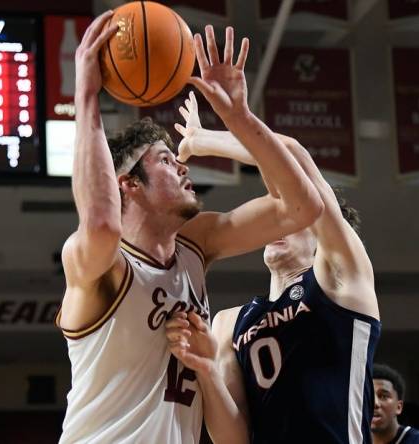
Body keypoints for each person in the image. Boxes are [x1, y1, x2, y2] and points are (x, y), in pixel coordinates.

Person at [56, 12, 323, 444]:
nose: (182, 164)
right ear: (128, 184)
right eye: (164, 159)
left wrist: (239, 118)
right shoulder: (99, 266)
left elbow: (302, 207)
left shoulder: (196, 245)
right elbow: (102, 223)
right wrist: (85, 95)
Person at [165, 91, 381, 443]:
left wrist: (206, 138)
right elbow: (233, 439)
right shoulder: (228, 323)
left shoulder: (341, 280)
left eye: (296, 221)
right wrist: (205, 370)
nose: (282, 224)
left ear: (320, 241)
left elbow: (295, 159)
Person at [371, 364, 419, 444]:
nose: (375, 403)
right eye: (369, 396)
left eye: (383, 396)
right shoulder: (355, 439)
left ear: (399, 407)